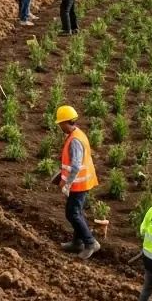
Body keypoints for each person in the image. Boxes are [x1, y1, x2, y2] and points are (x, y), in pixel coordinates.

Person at [51, 105, 100, 259]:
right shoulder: (77, 134)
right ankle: (77, 242)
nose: (59, 126)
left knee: (72, 213)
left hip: (79, 184)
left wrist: (67, 184)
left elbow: (76, 165)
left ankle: (90, 242)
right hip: (82, 181)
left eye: (60, 124)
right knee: (75, 212)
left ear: (66, 122)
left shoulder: (75, 141)